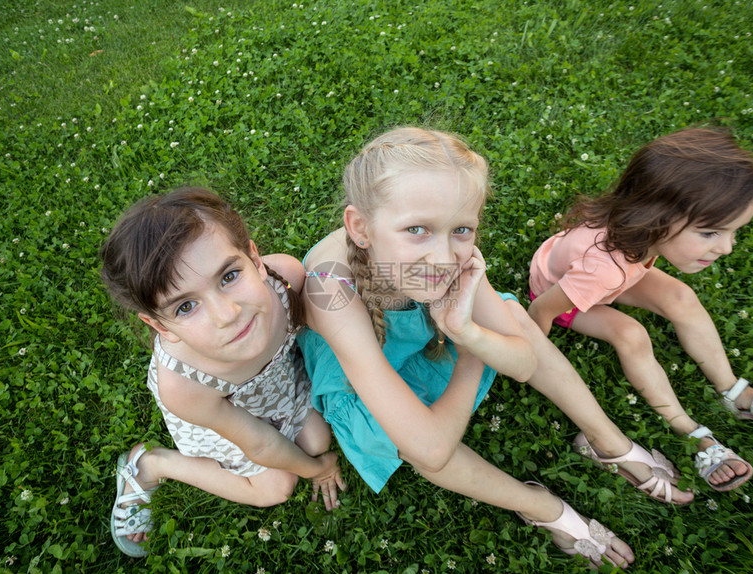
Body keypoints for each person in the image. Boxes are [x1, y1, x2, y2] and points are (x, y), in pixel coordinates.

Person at [299, 127, 687, 569]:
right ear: (360, 228)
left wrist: (470, 331)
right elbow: (430, 449)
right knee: (397, 434)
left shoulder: (447, 256)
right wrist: (468, 352)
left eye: (461, 229)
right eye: (417, 230)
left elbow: (524, 360)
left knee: (515, 320)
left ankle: (606, 439)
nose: (444, 258)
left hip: (433, 339)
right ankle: (539, 505)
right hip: (367, 367)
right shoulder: (330, 288)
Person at [528, 127, 753, 493]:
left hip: (614, 273)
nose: (726, 248)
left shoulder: (639, 236)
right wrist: (536, 350)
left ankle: (734, 391)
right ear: (656, 217)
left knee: (682, 299)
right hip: (564, 291)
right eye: (711, 233)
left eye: (732, 233)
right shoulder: (603, 268)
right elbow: (542, 307)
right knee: (632, 335)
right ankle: (690, 430)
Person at [100, 187, 345, 557]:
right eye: (185, 307)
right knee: (276, 487)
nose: (227, 314)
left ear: (255, 259)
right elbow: (259, 443)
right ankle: (154, 463)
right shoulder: (183, 384)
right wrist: (316, 471)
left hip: (283, 385)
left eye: (229, 276)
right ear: (159, 326)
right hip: (222, 420)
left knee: (317, 442)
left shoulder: (287, 278)